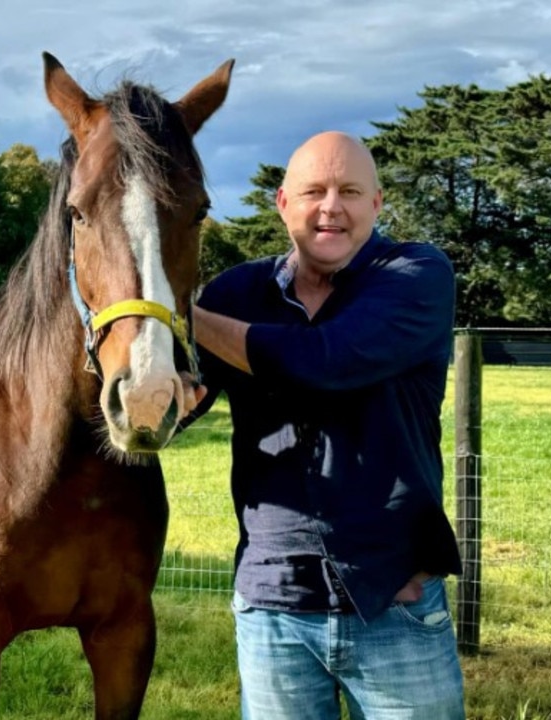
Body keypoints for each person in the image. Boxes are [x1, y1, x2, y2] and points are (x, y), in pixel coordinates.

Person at [185, 131, 465, 719]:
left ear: (377, 204)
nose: (330, 206)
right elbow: (186, 399)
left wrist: (181, 314)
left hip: (394, 598)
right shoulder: (235, 292)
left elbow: (327, 361)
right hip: (273, 601)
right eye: (313, 190)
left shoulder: (417, 275)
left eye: (350, 191)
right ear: (283, 203)